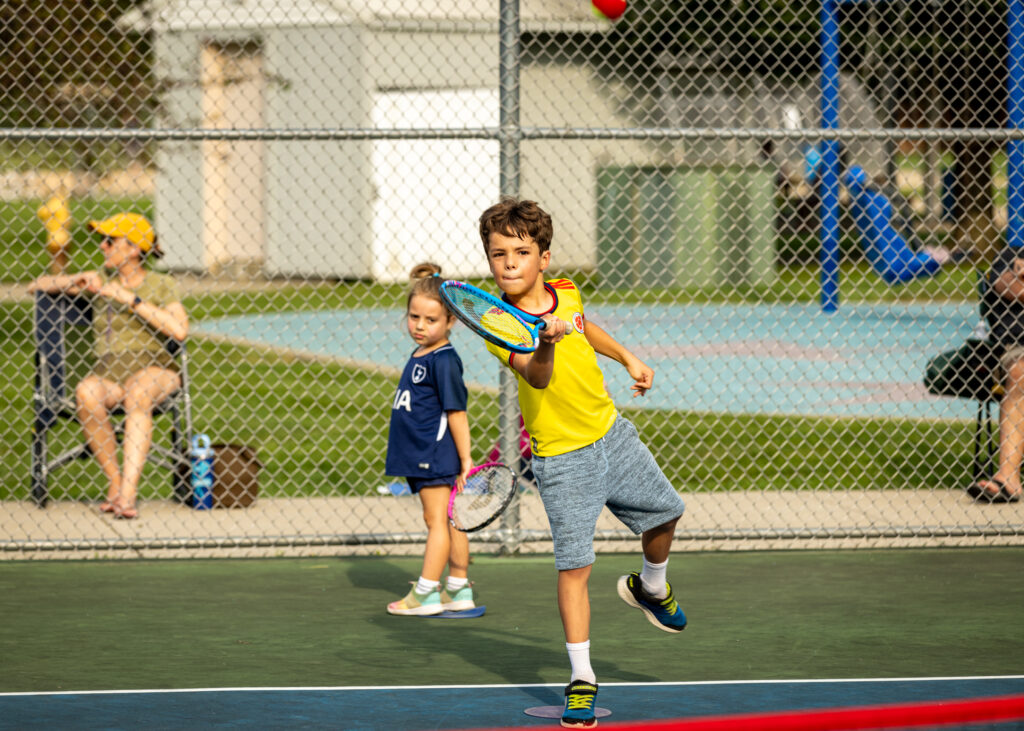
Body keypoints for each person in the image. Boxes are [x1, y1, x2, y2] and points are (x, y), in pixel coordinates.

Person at [476, 198, 687, 728]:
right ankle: (582, 680)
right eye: (498, 253)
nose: (509, 263)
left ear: (543, 258)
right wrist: (544, 342)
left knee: (666, 514)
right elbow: (538, 377)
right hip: (562, 460)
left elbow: (584, 326)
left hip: (612, 435)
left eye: (521, 252)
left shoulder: (565, 291)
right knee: (575, 567)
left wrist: (629, 358)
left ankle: (652, 588)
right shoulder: (498, 322)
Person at [27, 213, 188, 519]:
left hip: (154, 367)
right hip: (111, 373)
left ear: (133, 249)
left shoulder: (161, 284)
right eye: (103, 240)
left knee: (138, 393)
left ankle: (128, 495)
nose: (102, 246)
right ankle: (116, 482)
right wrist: (76, 280)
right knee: (87, 390)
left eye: (110, 241)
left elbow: (179, 330)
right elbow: (36, 285)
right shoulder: (101, 283)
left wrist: (131, 300)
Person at [385, 263, 476, 616]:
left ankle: (426, 593)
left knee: (437, 521)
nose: (420, 326)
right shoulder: (422, 352)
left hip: (434, 454)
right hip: (423, 452)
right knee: (448, 520)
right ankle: (458, 588)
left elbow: (457, 412)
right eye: (414, 317)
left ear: (451, 322)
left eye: (431, 320)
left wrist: (465, 459)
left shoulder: (444, 360)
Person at [968, 246, 1024, 503]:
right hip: (1016, 350)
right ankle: (1008, 479)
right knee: (1020, 372)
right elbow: (1007, 287)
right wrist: (1017, 277)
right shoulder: (1011, 254)